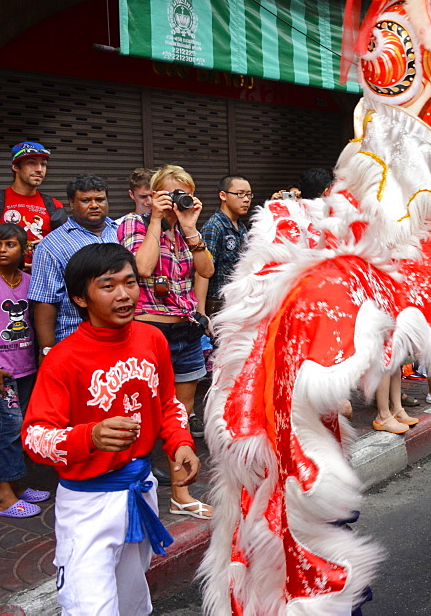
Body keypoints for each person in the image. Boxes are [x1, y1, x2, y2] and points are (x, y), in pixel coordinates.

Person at [22, 243, 199, 614]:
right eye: (108, 286)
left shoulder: (152, 339)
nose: (124, 295)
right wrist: (90, 436)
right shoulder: (64, 360)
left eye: (130, 282)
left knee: (133, 601)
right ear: (80, 298)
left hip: (139, 492)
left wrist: (180, 442)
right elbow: (35, 438)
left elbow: (167, 402)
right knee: (89, 607)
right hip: (87, 505)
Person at [119, 165, 214, 518]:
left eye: (183, 192)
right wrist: (156, 220)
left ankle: (180, 494)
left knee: (181, 416)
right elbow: (142, 268)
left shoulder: (187, 229)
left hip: (185, 332)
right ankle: (134, 493)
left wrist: (189, 227)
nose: (177, 200)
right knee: (140, 414)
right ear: (155, 194)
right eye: (170, 194)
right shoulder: (133, 224)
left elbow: (206, 271)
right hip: (148, 332)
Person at [0, 224, 49, 518]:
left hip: (25, 368)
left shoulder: (28, 281)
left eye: (9, 244)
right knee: (10, 427)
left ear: (24, 250)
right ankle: (2, 498)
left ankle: (16, 485)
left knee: (23, 427)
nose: (2, 250)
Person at [29, 175, 119, 353]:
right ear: (71, 203)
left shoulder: (123, 231)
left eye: (100, 199)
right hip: (75, 342)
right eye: (85, 200)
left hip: (121, 337)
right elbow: (45, 301)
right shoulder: (53, 245)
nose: (94, 205)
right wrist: (46, 349)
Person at [0, 142, 66, 268]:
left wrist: (50, 246)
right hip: (2, 282)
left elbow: (65, 247)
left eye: (43, 164)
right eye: (31, 163)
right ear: (16, 167)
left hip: (42, 280)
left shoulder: (54, 205)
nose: (39, 169)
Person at [196, 175, 251, 318]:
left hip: (239, 302)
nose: (246, 199)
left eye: (249, 195)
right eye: (240, 194)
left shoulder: (242, 227)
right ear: (223, 195)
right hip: (219, 305)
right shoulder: (214, 226)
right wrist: (201, 312)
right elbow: (202, 272)